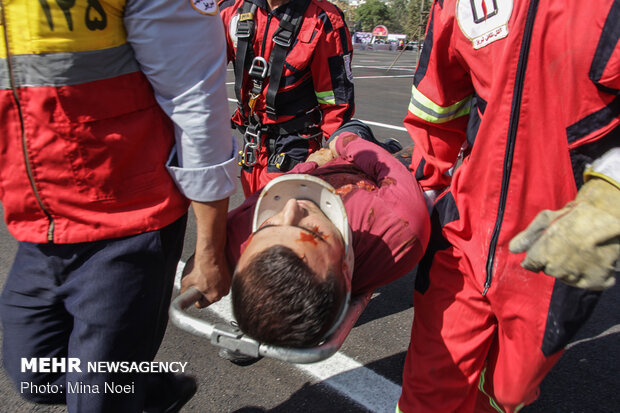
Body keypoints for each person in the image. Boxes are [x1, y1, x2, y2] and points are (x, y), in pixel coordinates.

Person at [0, 1, 237, 412]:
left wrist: (209, 250)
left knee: (95, 401)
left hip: (127, 226)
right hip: (39, 227)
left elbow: (195, 105)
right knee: (34, 376)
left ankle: (122, 388)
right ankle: (147, 390)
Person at [397, 0, 619, 412]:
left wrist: (614, 192)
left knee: (506, 395)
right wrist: (414, 199)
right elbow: (437, 104)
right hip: (461, 234)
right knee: (426, 394)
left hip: (554, 245)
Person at [225, 126, 430, 347]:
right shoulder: (399, 223)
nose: (292, 206)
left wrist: (311, 164)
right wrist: (343, 142)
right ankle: (385, 143)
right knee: (412, 153)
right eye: (311, 231)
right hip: (368, 168)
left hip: (331, 168)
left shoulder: (240, 234)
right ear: (344, 267)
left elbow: (288, 183)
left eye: (267, 227)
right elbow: (385, 165)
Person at [219, 0, 355, 196]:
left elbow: (337, 105)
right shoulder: (231, 11)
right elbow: (198, 79)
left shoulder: (323, 19)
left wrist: (331, 157)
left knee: (281, 218)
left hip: (295, 149)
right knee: (252, 217)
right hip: (253, 149)